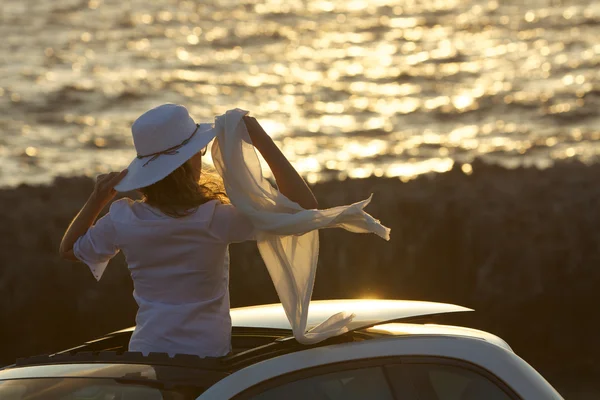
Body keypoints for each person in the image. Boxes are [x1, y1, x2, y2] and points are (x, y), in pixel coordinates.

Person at [59, 103, 318, 358]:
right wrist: (259, 138)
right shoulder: (214, 218)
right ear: (189, 161)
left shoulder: (123, 218)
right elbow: (303, 209)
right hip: (205, 358)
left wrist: (97, 198)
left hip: (146, 352)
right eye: (199, 150)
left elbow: (70, 249)